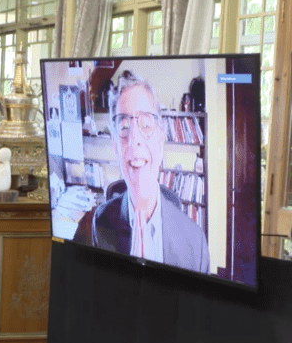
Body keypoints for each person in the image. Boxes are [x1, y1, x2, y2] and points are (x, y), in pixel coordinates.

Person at [73, 70, 209, 273]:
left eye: (146, 124)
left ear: (161, 140)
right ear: (115, 146)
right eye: (124, 126)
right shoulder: (99, 224)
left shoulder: (195, 244)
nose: (134, 138)